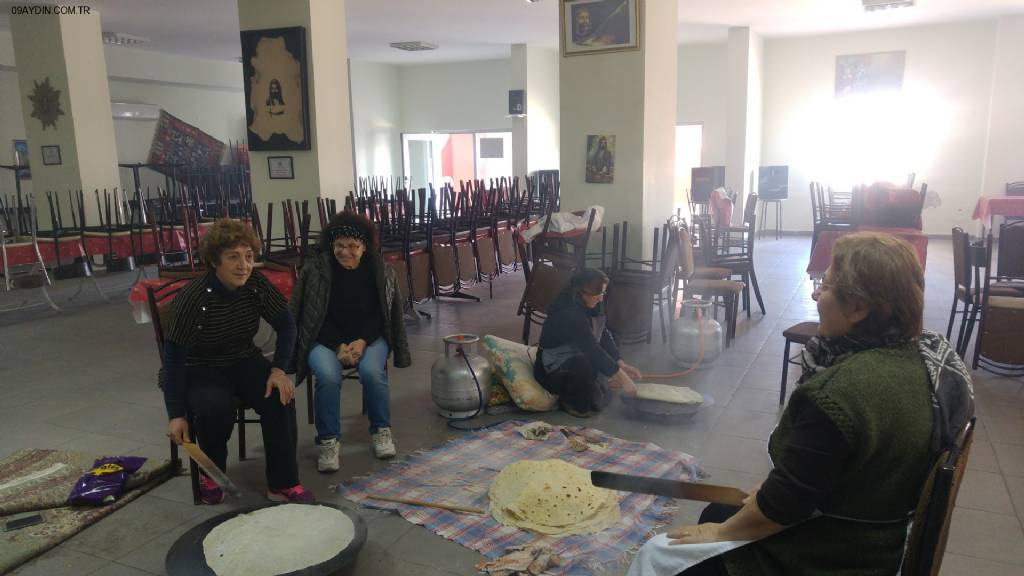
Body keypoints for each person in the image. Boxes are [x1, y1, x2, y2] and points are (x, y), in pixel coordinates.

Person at [627, 232, 974, 576]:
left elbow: (782, 507)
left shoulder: (840, 394)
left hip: (830, 555)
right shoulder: (927, 359)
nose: (815, 292)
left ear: (857, 308)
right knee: (718, 510)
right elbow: (812, 478)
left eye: (826, 284)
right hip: (880, 534)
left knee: (660, 554)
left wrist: (721, 534)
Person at [163, 219, 312, 505]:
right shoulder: (192, 298)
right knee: (214, 406)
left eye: (248, 257)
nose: (243, 265)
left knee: (280, 396)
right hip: (199, 366)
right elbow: (173, 362)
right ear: (214, 261)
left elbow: (287, 325)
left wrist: (279, 370)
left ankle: (283, 483)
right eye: (233, 257)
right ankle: (212, 473)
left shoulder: (255, 284)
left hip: (243, 357)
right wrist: (176, 414)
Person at [291, 212, 411, 473]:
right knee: (328, 375)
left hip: (367, 336)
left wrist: (362, 341)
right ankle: (328, 440)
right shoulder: (316, 271)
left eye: (353, 246)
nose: (345, 252)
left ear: (365, 246)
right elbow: (311, 317)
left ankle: (381, 430)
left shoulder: (379, 270)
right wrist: (338, 346)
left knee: (371, 373)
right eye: (339, 246)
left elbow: (382, 315)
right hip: (323, 338)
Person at [534, 268, 641, 417]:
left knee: (614, 339)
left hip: (577, 352)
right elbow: (592, 350)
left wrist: (620, 362)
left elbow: (602, 332)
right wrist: (624, 380)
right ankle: (570, 401)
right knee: (585, 370)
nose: (601, 298)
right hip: (553, 369)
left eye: (603, 293)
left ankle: (597, 383)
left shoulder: (590, 302)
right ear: (582, 292)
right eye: (598, 294)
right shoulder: (569, 313)